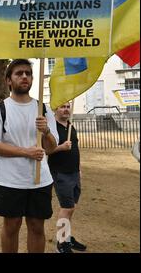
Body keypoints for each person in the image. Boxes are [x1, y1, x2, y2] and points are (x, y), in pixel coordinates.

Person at [0, 59, 59, 253]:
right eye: (19, 73)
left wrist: (47, 131)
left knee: (36, 226)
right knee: (12, 226)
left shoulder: (43, 108)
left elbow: (51, 148)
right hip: (10, 180)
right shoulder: (0, 109)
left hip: (39, 180)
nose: (24, 76)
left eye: (28, 73)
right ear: (9, 80)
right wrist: (26, 152)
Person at [48, 102, 87, 253]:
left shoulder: (71, 126)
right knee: (67, 207)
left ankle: (67, 237)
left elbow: (76, 150)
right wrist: (61, 147)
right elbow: (45, 151)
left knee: (72, 207)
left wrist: (79, 169)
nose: (66, 109)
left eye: (68, 106)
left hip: (74, 173)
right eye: (62, 107)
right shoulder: (52, 129)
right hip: (60, 173)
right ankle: (61, 243)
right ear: (55, 109)